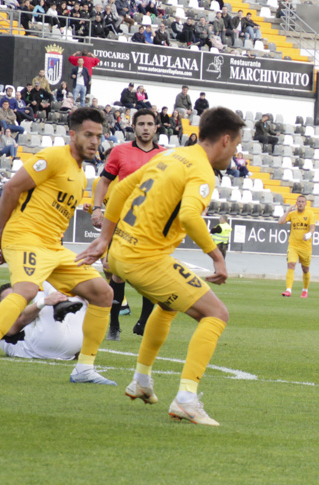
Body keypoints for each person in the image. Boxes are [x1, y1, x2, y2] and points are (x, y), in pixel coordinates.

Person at [75, 107, 244, 426]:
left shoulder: (173, 155)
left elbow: (122, 189)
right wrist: (217, 256)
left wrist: (104, 241)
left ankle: (141, 380)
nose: (235, 152)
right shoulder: (202, 171)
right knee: (216, 314)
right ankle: (187, 398)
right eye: (235, 145)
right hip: (145, 258)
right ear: (224, 140)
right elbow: (190, 217)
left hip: (123, 252)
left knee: (168, 306)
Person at [0, 107, 115, 384]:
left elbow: (56, 216)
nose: (95, 141)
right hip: (25, 236)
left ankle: (84, 368)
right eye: (89, 134)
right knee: (26, 289)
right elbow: (11, 188)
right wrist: (2, 232)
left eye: (99, 136)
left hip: (53, 248)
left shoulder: (81, 175)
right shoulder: (54, 157)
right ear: (72, 134)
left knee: (103, 293)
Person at [90, 108, 165, 340]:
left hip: (151, 222)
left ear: (156, 127)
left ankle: (143, 322)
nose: (145, 127)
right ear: (134, 127)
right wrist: (97, 207)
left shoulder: (165, 156)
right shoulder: (120, 152)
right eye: (140, 123)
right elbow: (104, 181)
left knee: (151, 272)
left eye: (149, 124)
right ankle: (113, 325)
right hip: (122, 220)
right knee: (116, 272)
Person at [0, 282, 87, 360]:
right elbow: (20, 321)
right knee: (42, 280)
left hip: (67, 351)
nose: (15, 301)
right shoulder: (0, 320)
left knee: (80, 298)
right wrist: (44, 301)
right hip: (39, 346)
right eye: (9, 299)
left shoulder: (31, 314)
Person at [278, 195, 315, 298]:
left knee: (305, 269)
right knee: (291, 265)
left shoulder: (310, 214)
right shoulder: (292, 214)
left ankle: (305, 290)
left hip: (305, 247)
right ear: (296, 203)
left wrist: (309, 234)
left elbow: (312, 227)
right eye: (299, 201)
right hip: (293, 245)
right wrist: (288, 210)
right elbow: (280, 222)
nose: (300, 203)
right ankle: (288, 290)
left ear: (306, 203)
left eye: (303, 202)